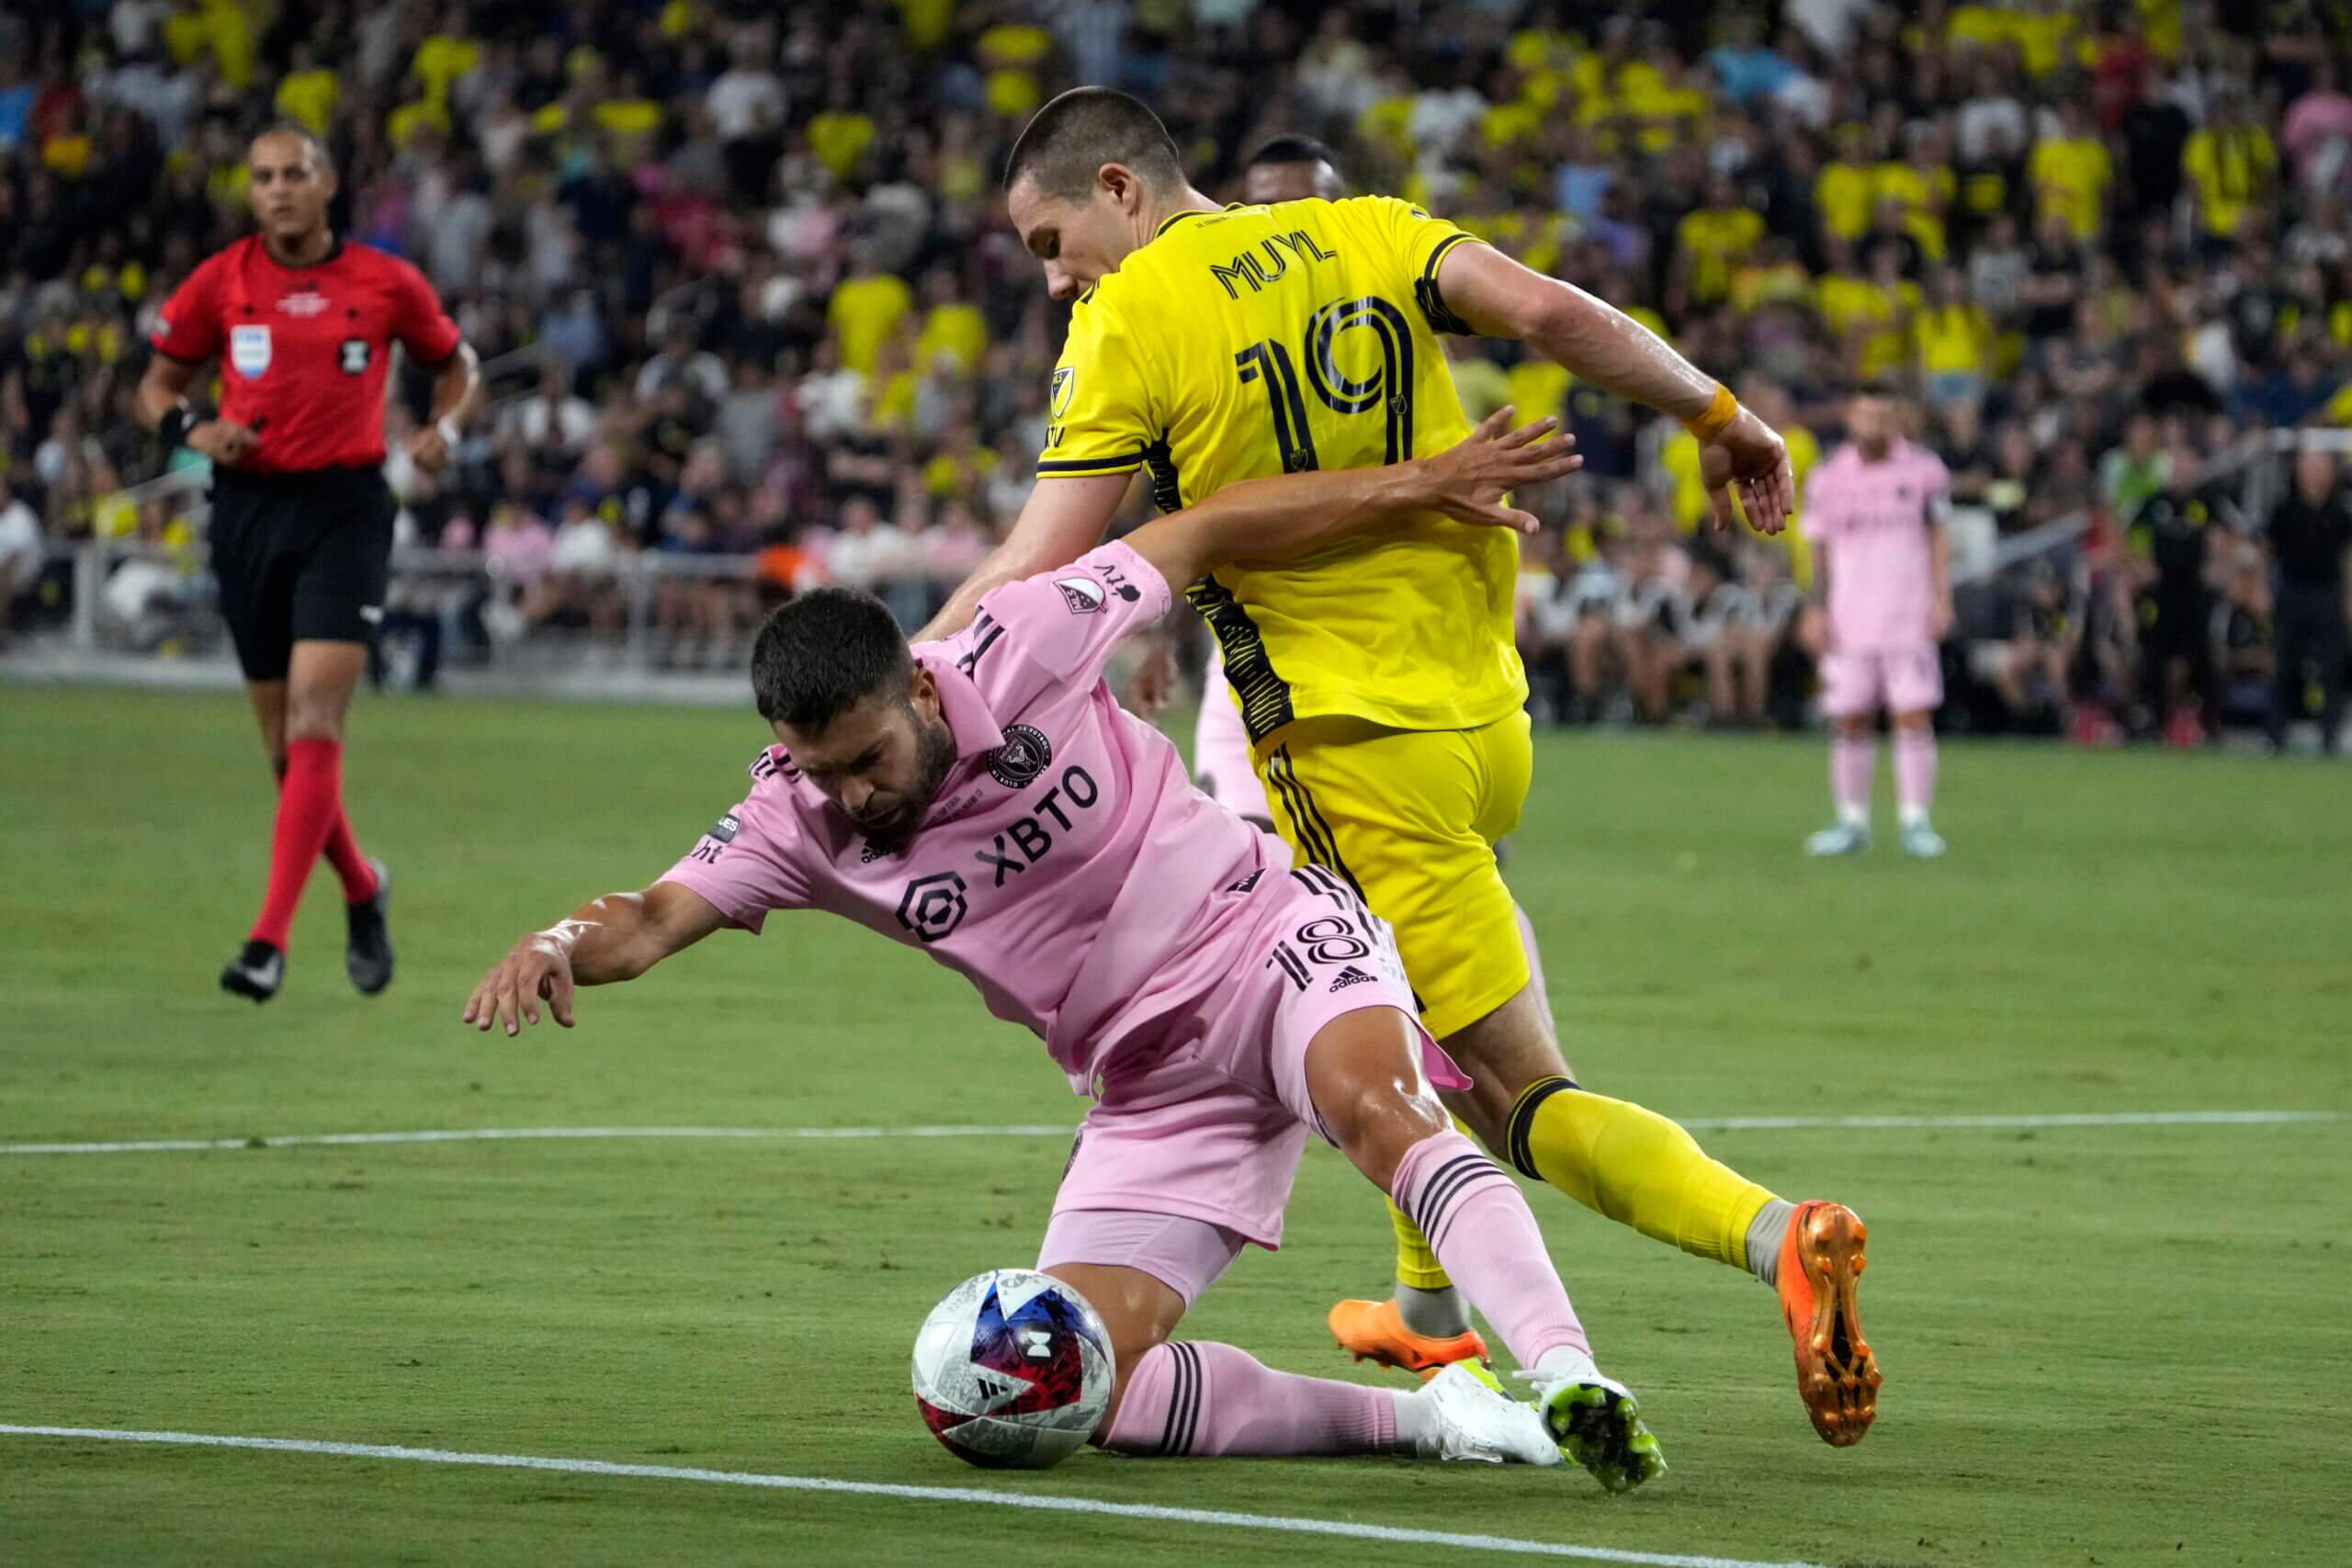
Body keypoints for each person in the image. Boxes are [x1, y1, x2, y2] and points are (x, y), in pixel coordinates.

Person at [465, 417, 1685, 1488]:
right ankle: (1433, 1417)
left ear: (923, 694)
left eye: (866, 758)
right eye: (817, 767)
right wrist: (560, 939)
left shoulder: (1029, 635)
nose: (848, 794)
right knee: (1076, 1381)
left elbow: (1207, 527)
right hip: (1146, 1072)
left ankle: (1570, 1372)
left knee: (1380, 1109)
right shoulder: (798, 815)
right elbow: (654, 911)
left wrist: (1423, 481)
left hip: (1264, 936)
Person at [921, 87, 1876, 1449]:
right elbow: (1553, 315)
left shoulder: (1125, 318)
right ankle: (1427, 1307)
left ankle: (1776, 1233)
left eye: (1050, 237)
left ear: (1122, 189)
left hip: (1353, 749)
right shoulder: (1369, 227)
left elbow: (1040, 562)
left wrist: (901, 679)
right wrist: (1717, 411)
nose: (1056, 274)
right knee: (1383, 1027)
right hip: (1486, 720)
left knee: (1517, 1098)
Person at [136, 124, 481, 1002]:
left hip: (346, 511)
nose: (279, 189)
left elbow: (458, 367)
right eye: (263, 177)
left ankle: (266, 941)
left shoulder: (385, 280)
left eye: (295, 173)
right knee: (288, 757)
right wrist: (193, 430)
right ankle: (364, 888)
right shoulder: (222, 280)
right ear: (249, 192)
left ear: (328, 185)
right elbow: (157, 387)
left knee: (317, 720)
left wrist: (444, 429)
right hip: (246, 511)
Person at [1187, 134, 1349, 829]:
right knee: (1241, 864)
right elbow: (1181, 515)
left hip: (1369, 673)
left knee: (1408, 903)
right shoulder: (1211, 341)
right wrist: (1169, 641)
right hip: (1247, 663)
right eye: (1261, 208)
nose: (1278, 226)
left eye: (1300, 207)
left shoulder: (1390, 341)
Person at [1803, 387, 1953, 859]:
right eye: (1866, 415)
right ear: (1850, 418)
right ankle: (1851, 822)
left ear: (1897, 419)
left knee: (1912, 716)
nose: (1875, 425)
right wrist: (1815, 608)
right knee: (1849, 719)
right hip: (1848, 618)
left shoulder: (1925, 472)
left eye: (1884, 416)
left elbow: (1938, 536)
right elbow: (1818, 550)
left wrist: (1942, 598)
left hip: (1907, 614)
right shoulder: (1827, 478)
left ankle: (1915, 822)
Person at [2263, 448, 2350, 754]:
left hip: (2327, 593)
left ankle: (2329, 735)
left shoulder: (2341, 511)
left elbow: (2347, 556)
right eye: (2310, 467)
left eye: (2321, 467)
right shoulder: (2284, 509)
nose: (2315, 473)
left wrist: (2348, 596)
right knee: (2285, 664)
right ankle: (2275, 734)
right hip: (2291, 591)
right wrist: (2264, 589)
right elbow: (2267, 551)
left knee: (2331, 667)